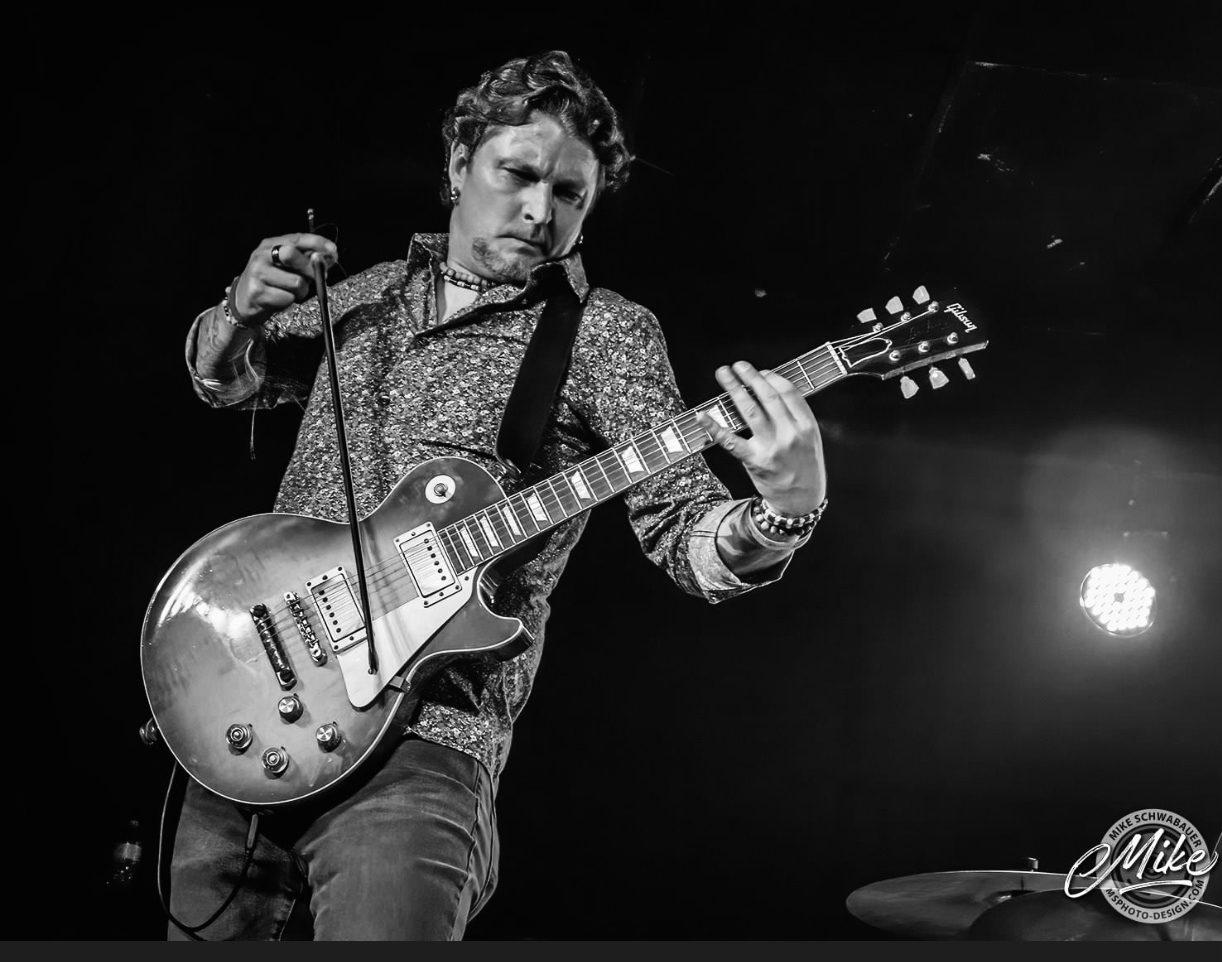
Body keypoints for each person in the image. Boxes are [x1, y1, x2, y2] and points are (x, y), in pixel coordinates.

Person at [167, 49, 828, 940]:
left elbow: (685, 534)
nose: (539, 210)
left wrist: (786, 507)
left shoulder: (605, 332)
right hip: (251, 705)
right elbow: (227, 382)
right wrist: (236, 312)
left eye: (570, 194)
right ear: (457, 165)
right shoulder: (366, 297)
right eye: (518, 174)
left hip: (425, 746)